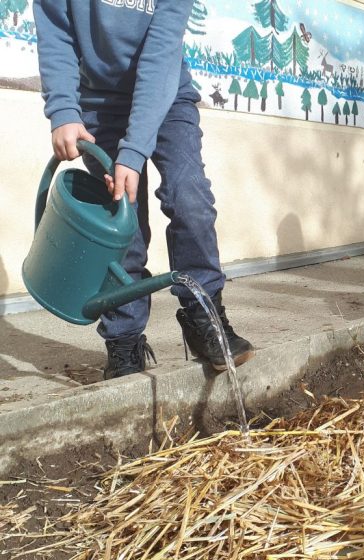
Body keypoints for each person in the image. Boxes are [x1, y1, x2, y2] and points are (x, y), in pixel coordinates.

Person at [33, 1, 254, 379]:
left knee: (189, 197)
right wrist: (64, 111)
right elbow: (56, 30)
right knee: (124, 227)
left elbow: (161, 54)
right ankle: (124, 340)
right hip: (101, 110)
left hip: (167, 101)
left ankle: (205, 317)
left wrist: (133, 150)